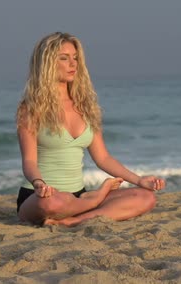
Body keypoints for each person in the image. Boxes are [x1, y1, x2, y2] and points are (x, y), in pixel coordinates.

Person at [15, 32, 166, 227]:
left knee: (145, 197)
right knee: (51, 203)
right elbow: (29, 160)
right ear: (47, 63)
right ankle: (95, 199)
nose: (73, 64)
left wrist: (139, 180)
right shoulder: (31, 108)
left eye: (75, 58)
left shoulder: (85, 106)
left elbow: (103, 158)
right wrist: (38, 183)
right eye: (64, 58)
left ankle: (73, 220)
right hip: (42, 197)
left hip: (77, 196)